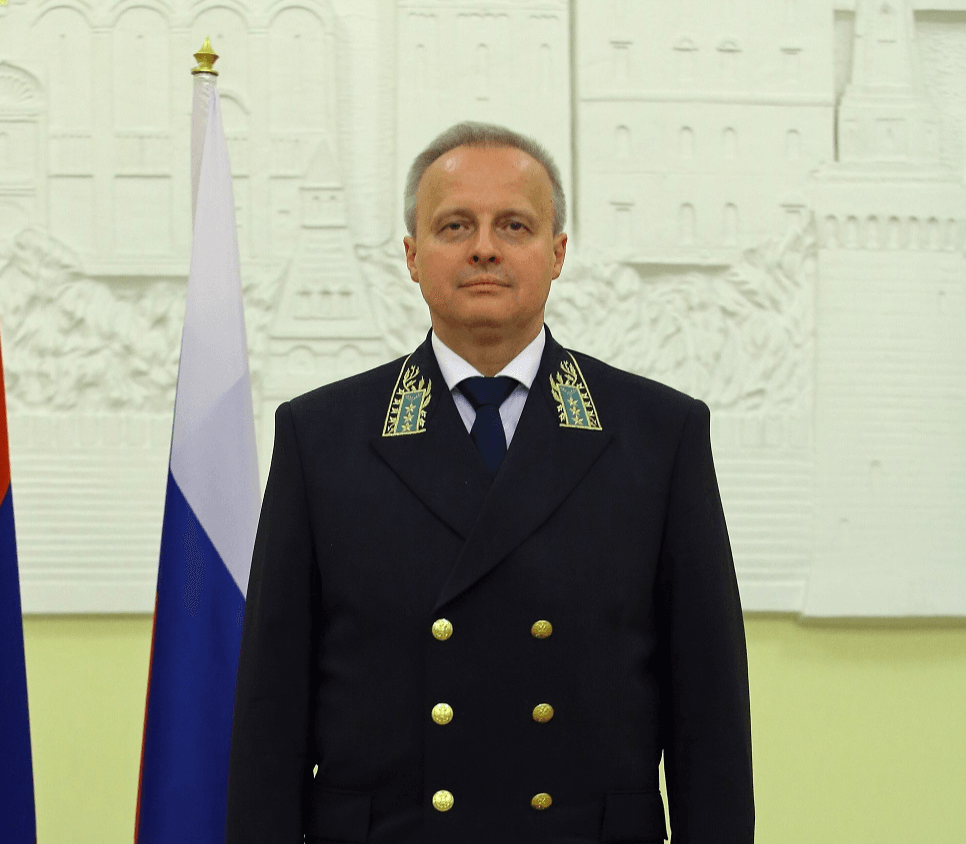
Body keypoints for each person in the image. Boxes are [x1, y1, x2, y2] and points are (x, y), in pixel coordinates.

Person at [225, 122, 753, 844]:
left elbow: (709, 723)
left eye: (514, 225)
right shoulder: (322, 438)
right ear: (411, 255)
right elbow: (270, 718)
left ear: (558, 253)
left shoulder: (660, 436)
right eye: (454, 225)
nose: (484, 247)